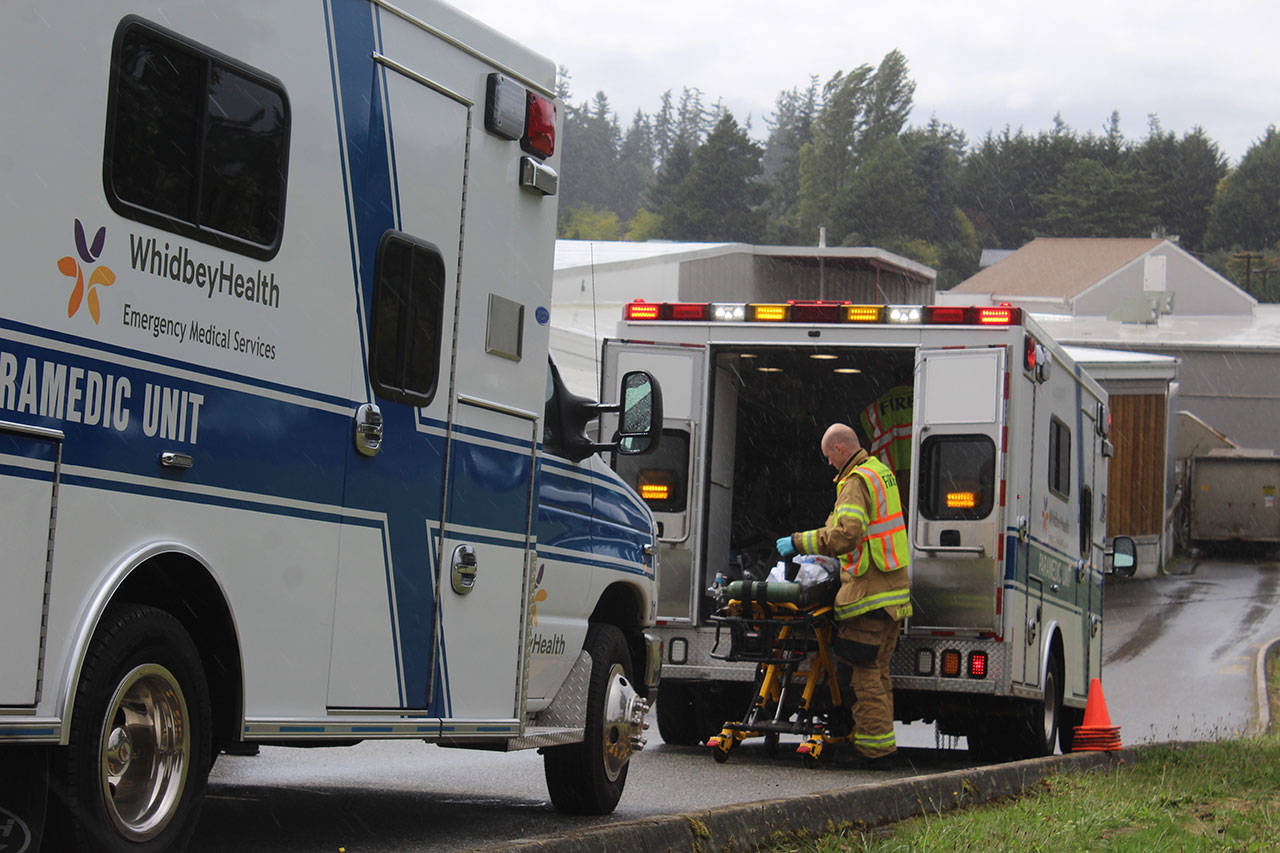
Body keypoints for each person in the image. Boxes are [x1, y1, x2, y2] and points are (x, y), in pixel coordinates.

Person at [776, 422, 911, 768]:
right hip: (893, 596)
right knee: (879, 675)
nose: (829, 465)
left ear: (839, 449)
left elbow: (846, 536)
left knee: (865, 678)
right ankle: (882, 746)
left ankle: (874, 753)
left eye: (828, 458)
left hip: (868, 595)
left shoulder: (855, 482)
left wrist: (798, 541)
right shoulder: (880, 473)